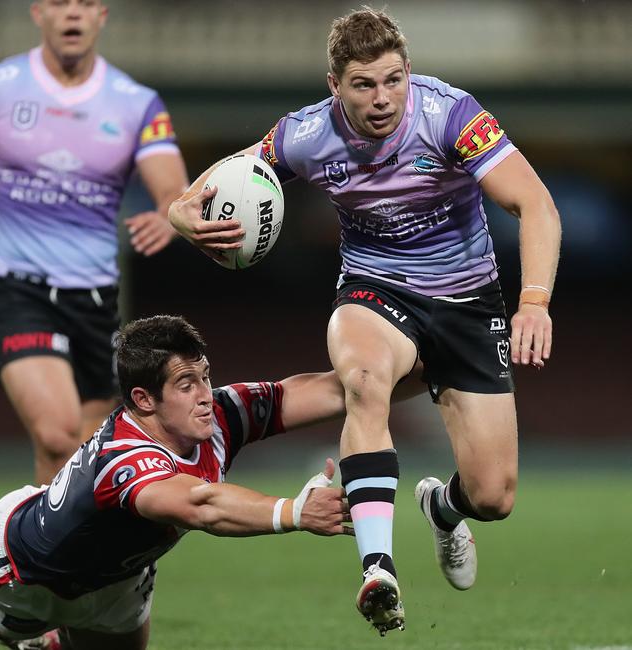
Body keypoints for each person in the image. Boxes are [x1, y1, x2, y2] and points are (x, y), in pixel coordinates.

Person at [168, 6, 562, 637]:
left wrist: (534, 301)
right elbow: (236, 170)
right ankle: (378, 568)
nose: (382, 99)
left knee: (494, 497)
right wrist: (181, 208)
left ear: (409, 74)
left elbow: (535, 205)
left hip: (467, 300)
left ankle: (440, 505)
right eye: (363, 84)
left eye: (393, 80)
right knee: (363, 379)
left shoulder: (452, 116)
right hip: (374, 291)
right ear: (335, 86)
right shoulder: (305, 134)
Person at [0, 314, 356, 650]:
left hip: (119, 580)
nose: (206, 396)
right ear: (144, 400)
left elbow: (323, 391)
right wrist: (293, 511)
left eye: (205, 376)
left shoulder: (219, 417)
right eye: (186, 384)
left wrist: (398, 369)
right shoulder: (126, 458)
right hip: (27, 573)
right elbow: (202, 506)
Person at [0, 0, 188, 486]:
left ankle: (70, 560)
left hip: (95, 300)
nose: (72, 13)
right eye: (59, 2)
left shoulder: (136, 101)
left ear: (103, 16)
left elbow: (172, 193)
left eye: (87, 3)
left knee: (85, 456)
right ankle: (28, 557)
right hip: (18, 288)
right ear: (37, 12)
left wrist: (168, 217)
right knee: (55, 436)